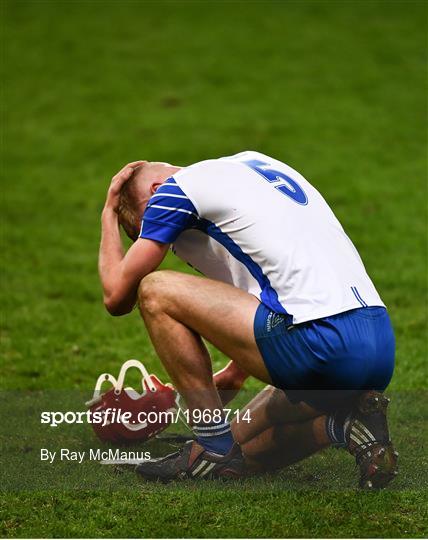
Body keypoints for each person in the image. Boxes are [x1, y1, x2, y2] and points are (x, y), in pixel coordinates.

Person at [98, 151, 398, 488]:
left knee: (156, 288)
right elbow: (275, 277)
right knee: (240, 453)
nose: (163, 242)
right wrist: (236, 370)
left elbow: (116, 297)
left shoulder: (172, 192)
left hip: (318, 342)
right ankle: (348, 426)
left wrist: (109, 214)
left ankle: (211, 443)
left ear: (154, 191)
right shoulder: (253, 166)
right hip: (378, 343)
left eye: (147, 230)